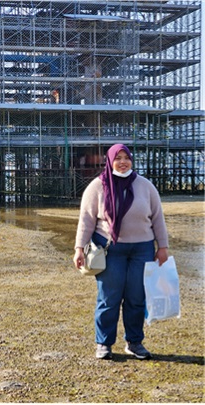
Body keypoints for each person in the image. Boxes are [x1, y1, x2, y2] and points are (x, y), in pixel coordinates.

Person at [73, 144, 168, 360]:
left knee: (136, 297)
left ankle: (134, 342)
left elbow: (158, 218)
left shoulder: (145, 186)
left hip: (142, 248)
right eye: (118, 158)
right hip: (109, 249)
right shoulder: (97, 187)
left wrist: (163, 247)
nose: (123, 162)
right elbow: (86, 221)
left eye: (127, 158)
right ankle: (104, 343)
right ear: (110, 160)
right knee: (109, 297)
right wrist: (79, 248)